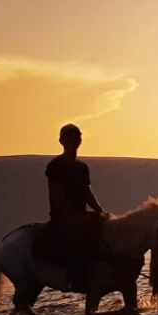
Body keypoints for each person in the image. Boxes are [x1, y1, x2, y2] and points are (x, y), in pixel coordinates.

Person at [45, 123, 107, 290]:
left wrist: (100, 211)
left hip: (81, 214)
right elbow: (56, 194)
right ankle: (75, 278)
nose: (74, 141)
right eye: (70, 138)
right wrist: (72, 214)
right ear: (62, 141)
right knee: (76, 240)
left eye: (77, 138)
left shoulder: (82, 167)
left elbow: (87, 192)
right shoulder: (55, 166)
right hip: (62, 217)